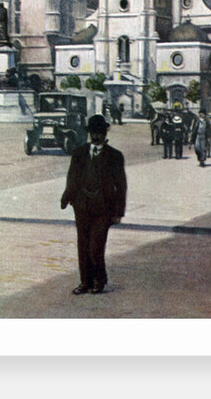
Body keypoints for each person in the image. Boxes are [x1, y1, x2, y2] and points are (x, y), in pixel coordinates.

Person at [60, 113, 127, 295]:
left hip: (104, 209)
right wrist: (66, 198)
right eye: (93, 133)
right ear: (89, 134)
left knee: (96, 246)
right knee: (83, 246)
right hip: (82, 207)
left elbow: (121, 186)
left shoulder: (115, 156)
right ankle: (85, 282)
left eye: (99, 133)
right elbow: (72, 177)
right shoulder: (79, 153)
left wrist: (118, 212)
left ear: (105, 134)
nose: (96, 136)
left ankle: (99, 280)